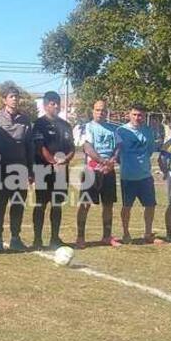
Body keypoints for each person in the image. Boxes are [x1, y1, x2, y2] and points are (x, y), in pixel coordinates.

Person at [0, 87, 32, 252]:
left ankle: (15, 238)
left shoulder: (25, 119)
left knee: (18, 204)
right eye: (11, 97)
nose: (15, 100)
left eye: (17, 97)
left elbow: (29, 146)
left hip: (19, 170)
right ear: (4, 100)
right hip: (0, 170)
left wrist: (30, 171)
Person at [75, 99, 121, 249]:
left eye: (103, 110)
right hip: (92, 171)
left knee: (108, 205)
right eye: (97, 110)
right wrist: (102, 161)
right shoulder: (86, 127)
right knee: (85, 204)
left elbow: (118, 146)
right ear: (93, 111)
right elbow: (88, 148)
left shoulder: (114, 129)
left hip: (108, 171)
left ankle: (107, 236)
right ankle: (80, 237)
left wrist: (112, 160)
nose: (100, 113)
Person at [31, 91, 74, 249]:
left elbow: (71, 148)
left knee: (57, 205)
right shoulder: (39, 124)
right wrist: (53, 162)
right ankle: (37, 240)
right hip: (43, 171)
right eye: (52, 103)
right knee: (41, 204)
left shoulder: (66, 125)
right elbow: (39, 147)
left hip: (61, 172)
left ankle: (55, 238)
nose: (56, 106)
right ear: (45, 105)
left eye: (58, 103)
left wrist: (65, 160)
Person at [115, 103, 162, 245]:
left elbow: (149, 151)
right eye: (134, 114)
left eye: (140, 115)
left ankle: (148, 233)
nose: (137, 117)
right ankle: (126, 233)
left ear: (144, 116)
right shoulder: (120, 131)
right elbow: (117, 153)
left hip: (145, 176)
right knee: (127, 206)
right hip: (128, 176)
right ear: (129, 115)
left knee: (150, 205)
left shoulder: (148, 131)